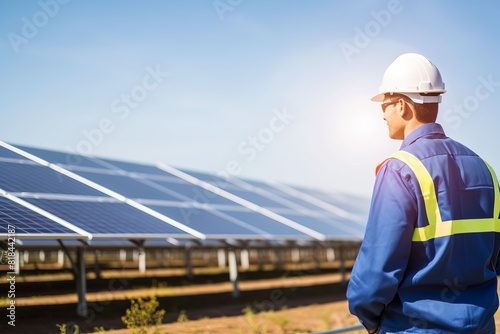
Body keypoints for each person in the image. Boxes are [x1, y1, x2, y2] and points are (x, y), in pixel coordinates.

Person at [346, 53, 500, 333]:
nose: (382, 113)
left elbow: (376, 269)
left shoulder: (399, 170)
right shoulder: (486, 169)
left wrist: (369, 318)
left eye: (385, 104)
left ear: (402, 106)